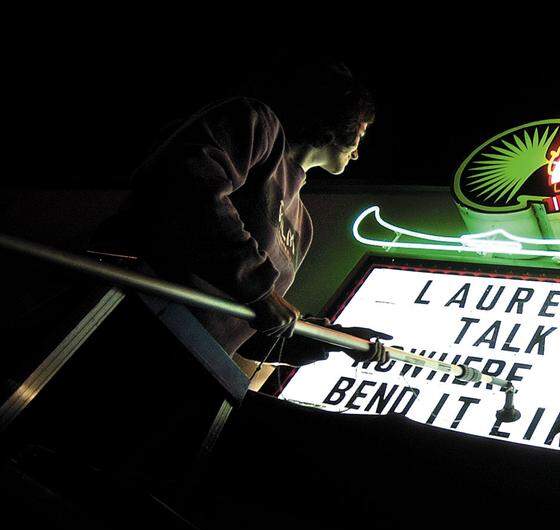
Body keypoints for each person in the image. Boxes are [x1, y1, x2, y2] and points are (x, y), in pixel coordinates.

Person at [93, 59, 387, 377]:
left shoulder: (302, 225)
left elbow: (252, 327)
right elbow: (188, 188)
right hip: (124, 320)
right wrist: (261, 291)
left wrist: (329, 340)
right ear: (338, 119)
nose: (359, 147)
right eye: (362, 129)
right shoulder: (257, 123)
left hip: (195, 365)